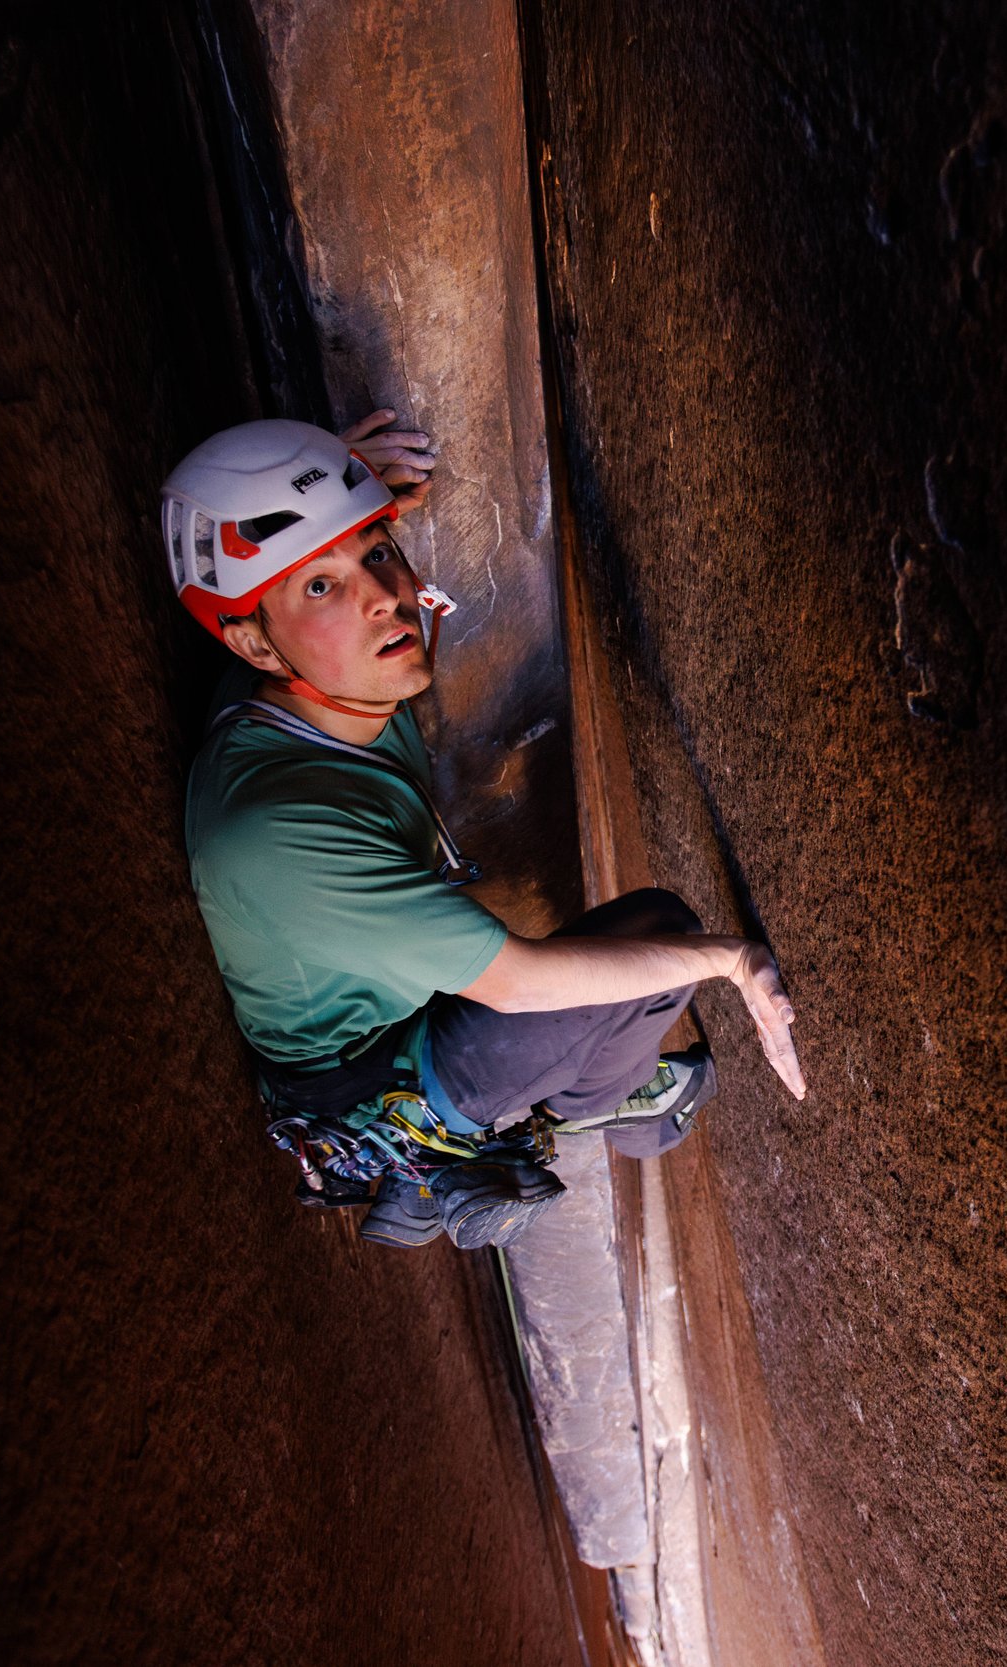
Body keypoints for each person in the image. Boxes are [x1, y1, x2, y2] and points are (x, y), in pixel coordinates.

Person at [165, 412, 806, 1251]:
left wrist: (351, 484)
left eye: (377, 553)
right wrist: (732, 961)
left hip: (391, 993)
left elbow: (343, 597)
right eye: (320, 587)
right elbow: (518, 980)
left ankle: (521, 1115)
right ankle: (569, 1115)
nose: (384, 599)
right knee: (664, 939)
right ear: (254, 643)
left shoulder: (320, 683)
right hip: (364, 1081)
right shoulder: (281, 831)